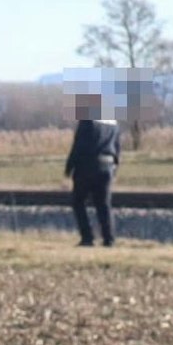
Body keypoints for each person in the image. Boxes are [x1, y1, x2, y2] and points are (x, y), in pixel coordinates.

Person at [62, 93, 122, 247]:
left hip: (88, 166)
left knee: (78, 201)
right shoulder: (113, 123)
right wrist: (115, 168)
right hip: (107, 166)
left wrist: (69, 169)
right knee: (104, 204)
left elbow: (78, 146)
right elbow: (117, 147)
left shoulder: (88, 120)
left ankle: (87, 237)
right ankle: (109, 239)